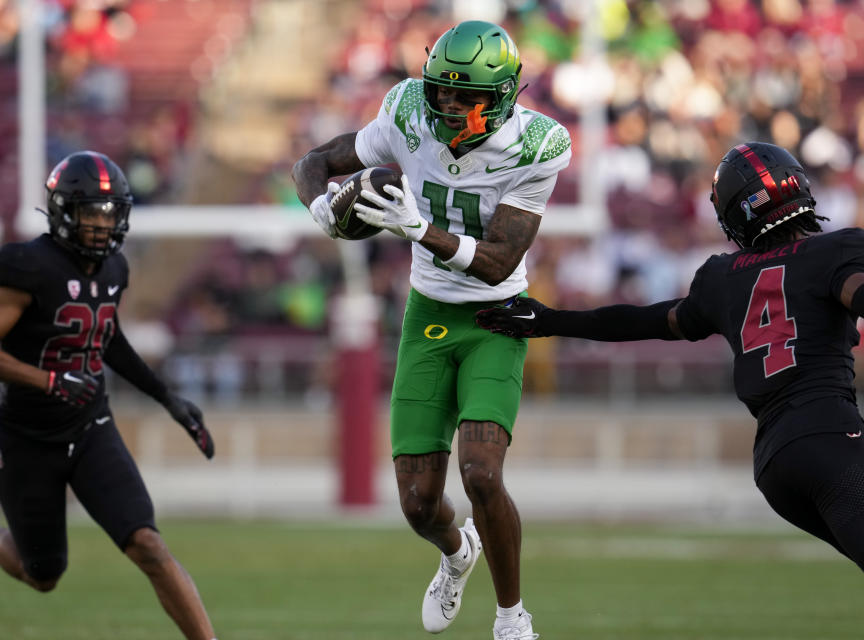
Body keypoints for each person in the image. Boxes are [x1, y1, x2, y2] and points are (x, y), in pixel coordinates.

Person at [293, 20, 571, 640]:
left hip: (497, 313)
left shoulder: (538, 144)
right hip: (428, 317)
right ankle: (456, 552)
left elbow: (499, 260)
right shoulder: (406, 111)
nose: (446, 103)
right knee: (419, 504)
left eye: (463, 94)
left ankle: (511, 616)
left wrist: (420, 230)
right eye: (441, 89)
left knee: (481, 473)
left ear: (500, 97)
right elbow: (315, 161)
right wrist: (321, 209)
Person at [477, 141, 864, 571]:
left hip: (775, 465)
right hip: (829, 434)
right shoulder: (839, 250)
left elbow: (643, 321)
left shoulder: (723, 277)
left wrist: (549, 320)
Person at [0, 150, 218, 640]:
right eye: (91, 212)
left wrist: (167, 398)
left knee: (148, 545)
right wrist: (48, 380)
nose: (102, 223)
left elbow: (107, 338)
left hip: (91, 427)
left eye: (110, 212)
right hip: (27, 438)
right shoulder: (26, 265)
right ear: (62, 212)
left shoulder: (114, 267)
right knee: (43, 574)